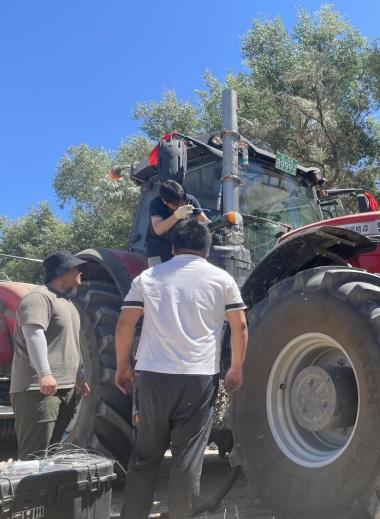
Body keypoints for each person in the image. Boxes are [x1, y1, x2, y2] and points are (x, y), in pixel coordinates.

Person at [115, 219, 248, 519]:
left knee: (145, 456)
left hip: (152, 377)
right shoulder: (222, 280)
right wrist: (236, 368)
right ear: (207, 249)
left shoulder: (148, 277)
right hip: (198, 380)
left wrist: (123, 365)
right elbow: (239, 326)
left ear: (173, 247)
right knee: (187, 460)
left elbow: (126, 323)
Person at [10, 251, 91, 459]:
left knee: (51, 455)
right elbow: (33, 335)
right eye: (76, 267)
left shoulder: (69, 304)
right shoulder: (39, 297)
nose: (80, 271)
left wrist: (79, 377)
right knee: (33, 458)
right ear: (61, 272)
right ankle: (27, 493)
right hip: (38, 390)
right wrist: (44, 373)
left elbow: (72, 344)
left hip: (66, 388)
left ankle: (44, 492)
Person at [146, 179, 209, 266]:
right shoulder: (156, 204)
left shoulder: (190, 200)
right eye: (176, 205)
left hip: (181, 248)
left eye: (182, 203)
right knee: (158, 277)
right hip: (158, 249)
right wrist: (176, 216)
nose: (180, 206)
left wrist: (209, 225)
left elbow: (204, 221)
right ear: (164, 201)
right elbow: (158, 229)